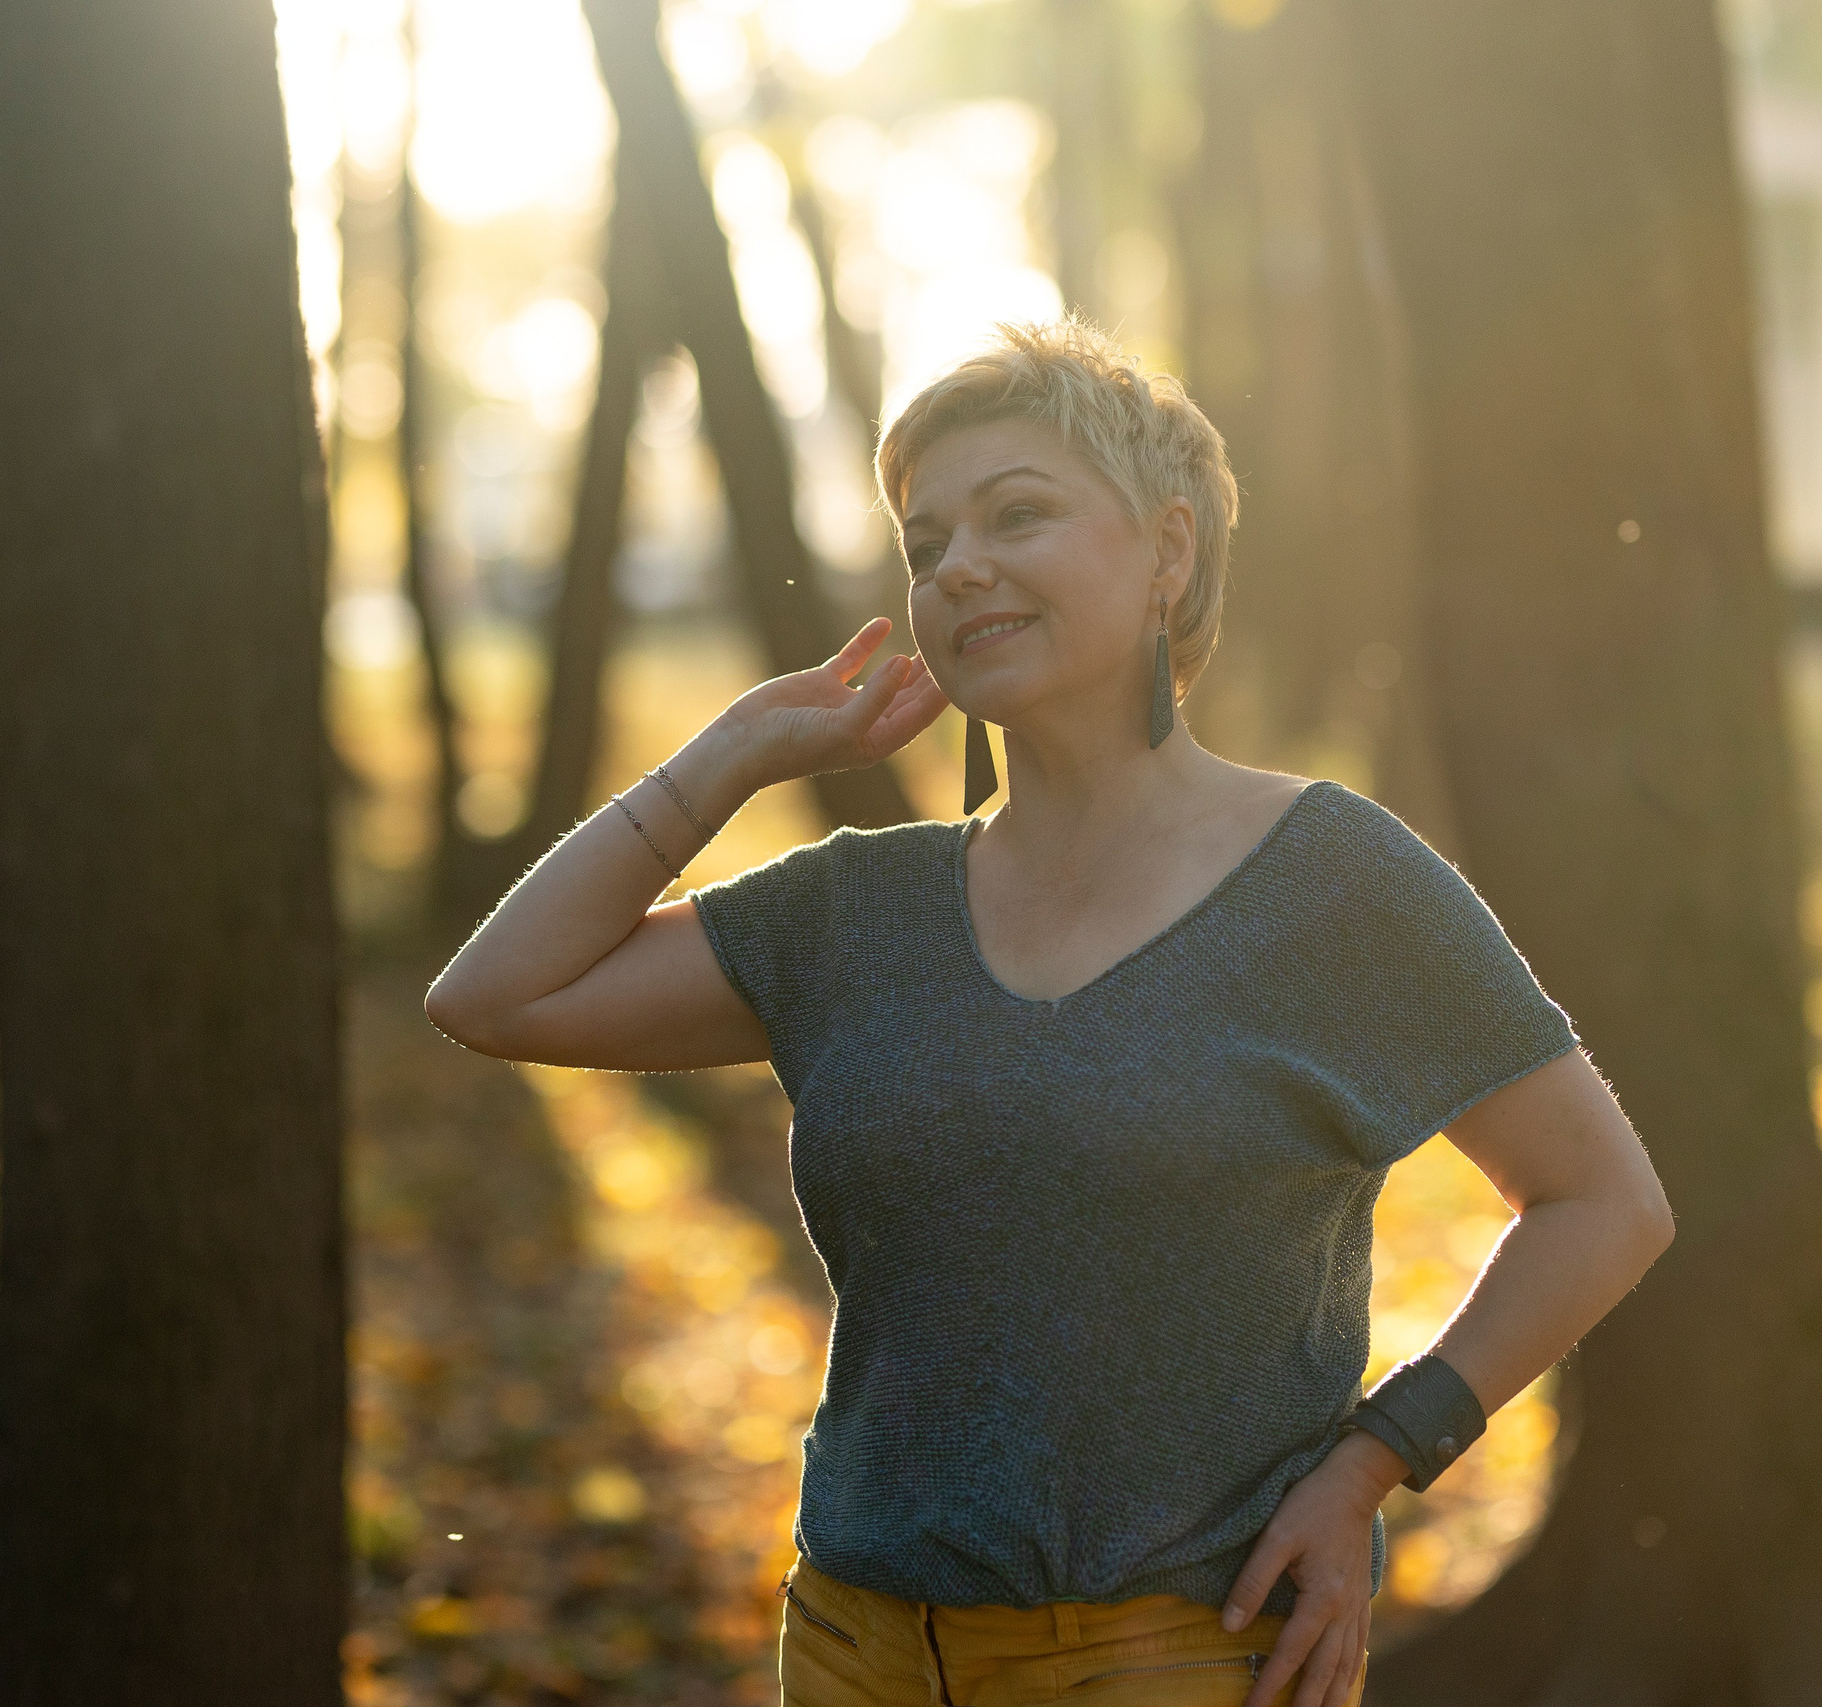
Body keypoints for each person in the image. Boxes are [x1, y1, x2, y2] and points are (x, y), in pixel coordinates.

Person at [425, 320, 1674, 1707]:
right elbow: (495, 994)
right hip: (855, 1651)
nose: (958, 566)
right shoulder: (858, 916)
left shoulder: (1338, 888)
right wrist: (733, 757)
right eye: (925, 544)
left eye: (1019, 513)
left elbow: (1603, 1203)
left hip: (1186, 1658)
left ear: (1169, 553)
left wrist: (1375, 1460)